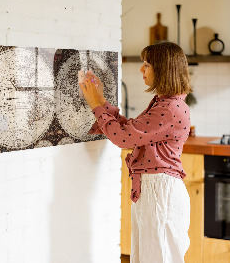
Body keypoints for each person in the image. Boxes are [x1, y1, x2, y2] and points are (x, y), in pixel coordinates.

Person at [80, 41, 192, 263]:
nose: (141, 69)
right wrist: (101, 101)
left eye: (147, 64)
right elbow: (131, 130)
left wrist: (95, 105)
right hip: (155, 190)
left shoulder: (169, 108)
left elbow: (123, 138)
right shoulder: (165, 103)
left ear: (163, 69)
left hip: (160, 192)